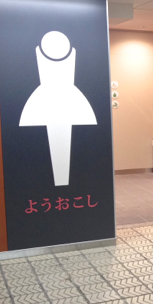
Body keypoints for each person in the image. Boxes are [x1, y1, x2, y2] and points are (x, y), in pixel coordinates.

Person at [20, 31, 97, 187]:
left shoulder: (72, 52)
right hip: (45, 100)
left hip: (70, 100)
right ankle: (60, 182)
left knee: (64, 150)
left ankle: (62, 182)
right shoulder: (39, 52)